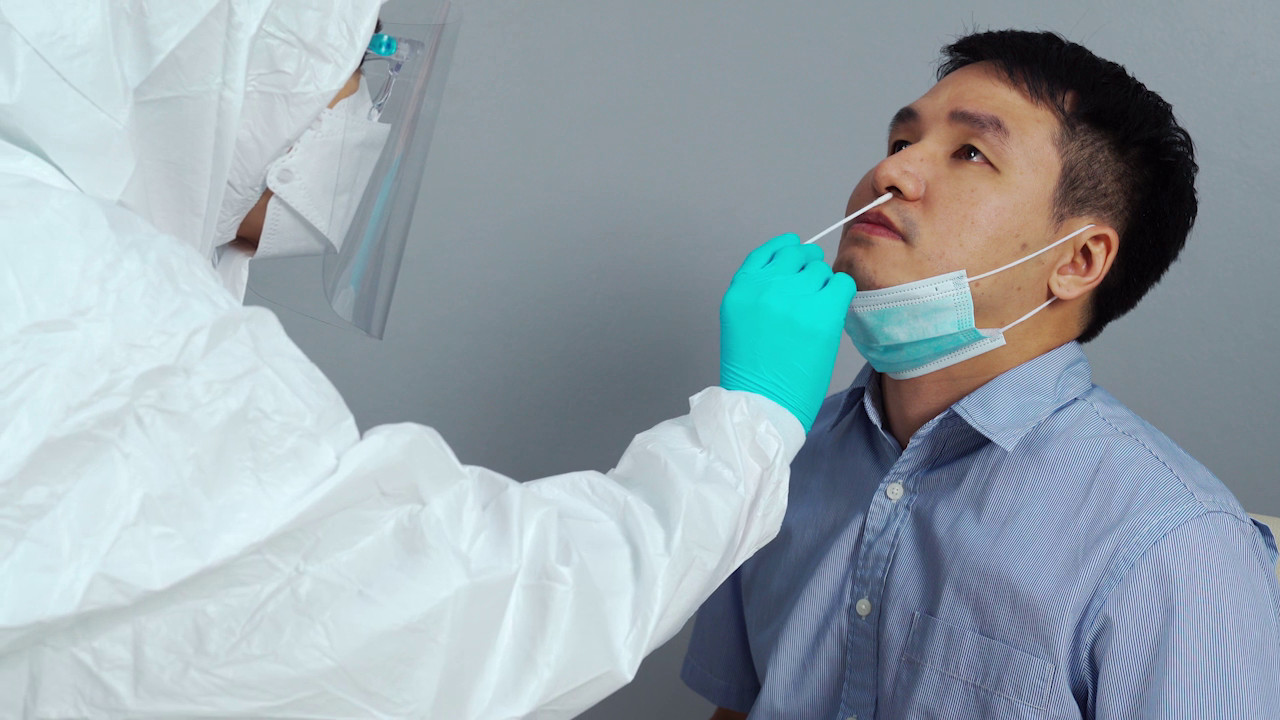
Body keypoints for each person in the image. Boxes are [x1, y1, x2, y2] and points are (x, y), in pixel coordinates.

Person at [0, 1, 857, 717]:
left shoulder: (53, 247)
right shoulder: (83, 297)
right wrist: (746, 432)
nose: (360, 109)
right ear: (233, 56)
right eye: (354, 65)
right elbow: (437, 623)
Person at [683, 29, 1280, 719]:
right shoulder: (777, 453)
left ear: (1079, 260)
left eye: (970, 152)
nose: (891, 173)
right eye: (901, 141)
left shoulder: (1175, 545)